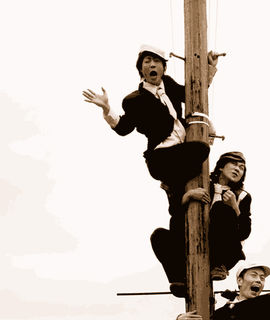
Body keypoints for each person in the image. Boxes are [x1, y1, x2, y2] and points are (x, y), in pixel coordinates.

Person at [82, 44, 220, 193]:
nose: (152, 64)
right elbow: (123, 128)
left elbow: (192, 94)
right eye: (147, 61)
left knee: (184, 196)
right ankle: (172, 184)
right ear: (141, 70)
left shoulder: (168, 83)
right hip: (160, 158)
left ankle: (173, 187)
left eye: (156, 61)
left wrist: (209, 67)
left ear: (164, 68)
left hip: (181, 153)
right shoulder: (134, 100)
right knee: (201, 149)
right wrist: (106, 108)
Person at [151, 151, 252, 297]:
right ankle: (179, 280)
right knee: (159, 235)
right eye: (234, 164)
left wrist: (235, 208)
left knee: (221, 209)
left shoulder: (242, 196)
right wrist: (188, 195)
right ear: (221, 167)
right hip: (193, 240)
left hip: (225, 251)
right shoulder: (201, 183)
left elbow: (244, 232)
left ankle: (218, 266)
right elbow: (174, 212)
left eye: (242, 168)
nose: (238, 169)